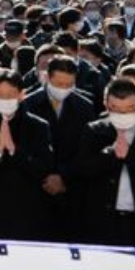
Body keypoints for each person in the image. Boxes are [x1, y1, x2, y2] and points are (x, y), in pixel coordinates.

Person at [72, 78, 135, 246]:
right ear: (106, 105)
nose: (123, 115)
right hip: (104, 221)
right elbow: (81, 170)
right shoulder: (94, 131)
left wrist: (131, 156)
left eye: (129, 109)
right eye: (116, 109)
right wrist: (109, 153)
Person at [0, 69, 54, 241]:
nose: (4, 100)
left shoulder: (38, 126)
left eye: (10, 95)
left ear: (21, 95)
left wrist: (14, 150)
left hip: (27, 212)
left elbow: (44, 168)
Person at [22, 54, 96, 241]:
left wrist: (63, 176)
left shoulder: (84, 107)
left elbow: (86, 149)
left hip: (70, 188)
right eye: (59, 84)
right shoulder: (28, 104)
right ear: (47, 77)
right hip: (34, 187)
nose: (63, 89)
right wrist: (45, 175)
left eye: (68, 85)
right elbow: (23, 146)